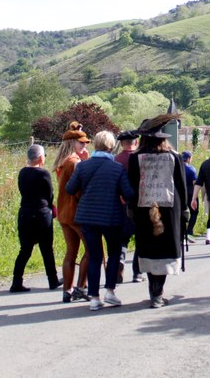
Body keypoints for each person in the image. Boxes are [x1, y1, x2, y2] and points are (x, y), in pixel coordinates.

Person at [66, 131, 134, 311]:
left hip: (87, 217)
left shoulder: (82, 167)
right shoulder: (117, 168)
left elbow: (70, 188)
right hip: (111, 217)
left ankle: (94, 297)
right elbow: (128, 194)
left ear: (95, 145)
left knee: (94, 256)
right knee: (113, 254)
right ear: (111, 146)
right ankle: (110, 292)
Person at [128, 114, 188, 308]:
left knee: (148, 248)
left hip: (143, 211)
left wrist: (130, 207)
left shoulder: (135, 158)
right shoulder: (174, 157)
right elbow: (181, 186)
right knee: (165, 248)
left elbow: (132, 185)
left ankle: (154, 290)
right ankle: (158, 292)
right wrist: (185, 208)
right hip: (169, 211)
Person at [10, 144, 61, 293]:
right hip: (41, 213)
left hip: (25, 212)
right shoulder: (43, 174)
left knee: (25, 249)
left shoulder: (22, 173)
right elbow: (49, 194)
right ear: (40, 157)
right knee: (46, 248)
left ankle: (16, 281)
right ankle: (52, 279)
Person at [52, 122, 92, 302]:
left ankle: (66, 291)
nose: (84, 146)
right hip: (77, 213)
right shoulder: (74, 163)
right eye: (81, 143)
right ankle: (80, 287)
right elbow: (80, 189)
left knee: (71, 252)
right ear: (72, 143)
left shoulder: (62, 162)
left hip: (64, 213)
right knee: (93, 249)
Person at [115, 130, 145, 283]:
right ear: (136, 142)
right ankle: (137, 272)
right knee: (140, 237)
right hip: (140, 203)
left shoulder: (116, 160)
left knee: (122, 237)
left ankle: (120, 259)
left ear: (121, 143)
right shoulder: (141, 158)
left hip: (120, 204)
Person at [181, 150, 198, 244]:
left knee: (182, 213)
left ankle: (182, 232)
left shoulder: (176, 167)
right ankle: (189, 231)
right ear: (188, 159)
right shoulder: (191, 169)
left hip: (180, 194)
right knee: (194, 212)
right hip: (191, 193)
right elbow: (195, 183)